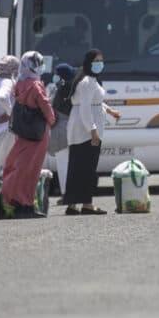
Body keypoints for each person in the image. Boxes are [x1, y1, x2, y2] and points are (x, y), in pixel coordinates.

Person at [64, 49, 120, 215]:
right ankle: (86, 204)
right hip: (85, 130)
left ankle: (73, 204)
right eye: (96, 61)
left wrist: (110, 111)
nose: (100, 64)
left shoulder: (89, 80)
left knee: (78, 167)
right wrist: (93, 131)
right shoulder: (87, 81)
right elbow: (86, 109)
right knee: (86, 168)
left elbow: (96, 102)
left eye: (101, 60)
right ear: (89, 62)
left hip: (81, 129)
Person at [1, 52, 56, 218]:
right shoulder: (36, 85)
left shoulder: (19, 83)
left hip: (23, 132)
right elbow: (45, 105)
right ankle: (26, 205)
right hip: (38, 133)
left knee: (19, 165)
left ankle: (14, 200)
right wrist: (52, 119)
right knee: (32, 169)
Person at [48, 63, 76, 202]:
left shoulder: (63, 88)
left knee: (63, 162)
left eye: (56, 73)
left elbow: (55, 108)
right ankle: (73, 192)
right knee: (73, 163)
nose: (54, 76)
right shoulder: (74, 86)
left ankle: (66, 194)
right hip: (74, 127)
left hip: (61, 128)